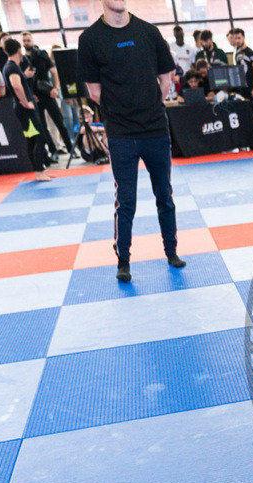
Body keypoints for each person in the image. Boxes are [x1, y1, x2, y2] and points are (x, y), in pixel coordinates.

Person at [78, 0, 185, 282]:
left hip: (155, 130)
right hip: (121, 133)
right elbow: (94, 91)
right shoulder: (89, 39)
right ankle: (123, 260)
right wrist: (123, 110)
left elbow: (166, 78)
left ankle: (171, 251)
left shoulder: (148, 32)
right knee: (125, 201)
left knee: (165, 195)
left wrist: (149, 106)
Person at [2, 38, 50, 181]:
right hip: (25, 110)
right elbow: (16, 85)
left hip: (22, 108)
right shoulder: (12, 67)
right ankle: (39, 171)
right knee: (41, 138)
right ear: (18, 50)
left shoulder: (10, 66)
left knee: (32, 140)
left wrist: (29, 97)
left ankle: (37, 171)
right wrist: (25, 102)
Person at [21, 32, 72, 159]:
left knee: (60, 122)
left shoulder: (42, 54)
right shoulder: (22, 60)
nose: (27, 42)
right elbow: (22, 80)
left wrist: (55, 88)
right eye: (24, 40)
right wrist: (30, 95)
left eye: (28, 40)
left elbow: (54, 72)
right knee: (43, 126)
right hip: (35, 96)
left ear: (32, 40)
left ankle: (71, 148)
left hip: (48, 93)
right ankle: (53, 150)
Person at [229, 28, 253, 142]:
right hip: (243, 87)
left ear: (243, 38)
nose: (237, 40)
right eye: (235, 38)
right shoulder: (237, 53)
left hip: (252, 86)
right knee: (250, 111)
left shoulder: (251, 53)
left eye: (239, 38)